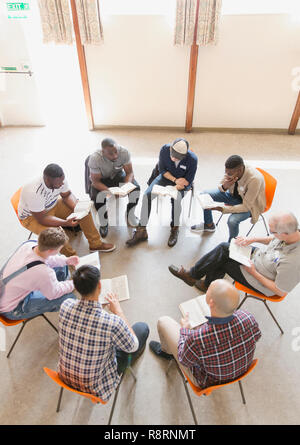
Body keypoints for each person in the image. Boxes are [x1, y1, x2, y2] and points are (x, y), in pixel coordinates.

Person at [58, 265, 149, 401]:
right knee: (142, 328)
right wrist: (119, 311)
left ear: (76, 288)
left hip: (64, 376)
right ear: (99, 285)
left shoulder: (65, 305)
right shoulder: (112, 322)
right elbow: (133, 345)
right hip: (95, 386)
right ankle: (129, 362)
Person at [150, 279, 261, 389]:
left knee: (163, 321)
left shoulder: (197, 338)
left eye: (208, 289)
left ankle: (167, 352)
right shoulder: (249, 318)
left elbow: (183, 360)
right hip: (241, 370)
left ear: (211, 303)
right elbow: (257, 336)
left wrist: (185, 330)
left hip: (209, 380)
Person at [169, 211, 300, 296]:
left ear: (284, 234)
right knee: (226, 248)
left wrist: (253, 272)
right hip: (259, 257)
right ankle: (198, 279)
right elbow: (274, 239)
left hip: (259, 277)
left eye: (273, 232)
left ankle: (196, 278)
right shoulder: (292, 233)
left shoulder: (293, 262)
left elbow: (280, 291)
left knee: (222, 260)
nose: (272, 235)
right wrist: (252, 239)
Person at [18, 163, 115, 257]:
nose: (61, 184)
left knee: (84, 211)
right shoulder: (34, 192)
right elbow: (42, 218)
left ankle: (95, 244)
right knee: (56, 235)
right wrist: (65, 223)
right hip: (32, 217)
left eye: (62, 181)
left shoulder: (60, 180)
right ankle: (72, 259)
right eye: (58, 183)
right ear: (47, 180)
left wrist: (77, 209)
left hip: (52, 205)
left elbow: (67, 195)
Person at [126, 138, 198, 248]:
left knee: (176, 199)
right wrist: (174, 180)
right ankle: (142, 230)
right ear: (170, 148)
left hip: (182, 183)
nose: (173, 159)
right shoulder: (164, 149)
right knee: (147, 196)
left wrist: (178, 186)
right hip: (166, 177)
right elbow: (162, 170)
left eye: (177, 158)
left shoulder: (192, 159)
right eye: (172, 155)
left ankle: (175, 229)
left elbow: (188, 180)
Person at [0, 228, 77, 320]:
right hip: (12, 308)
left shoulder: (29, 244)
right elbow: (53, 294)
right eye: (60, 249)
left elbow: (45, 258)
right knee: (69, 298)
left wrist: (66, 261)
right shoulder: (43, 273)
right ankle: (53, 287)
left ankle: (52, 285)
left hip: (5, 290)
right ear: (51, 250)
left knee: (62, 265)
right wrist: (75, 283)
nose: (60, 250)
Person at [191, 155, 265, 241]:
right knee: (204, 194)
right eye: (226, 172)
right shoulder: (231, 170)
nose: (227, 174)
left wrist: (222, 208)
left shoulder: (255, 180)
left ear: (240, 170)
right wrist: (225, 186)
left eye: (229, 173)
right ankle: (209, 225)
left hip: (250, 206)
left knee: (232, 221)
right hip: (233, 196)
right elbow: (221, 185)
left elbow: (246, 206)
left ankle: (231, 244)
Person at [88, 138, 141, 238]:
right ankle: (104, 222)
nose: (115, 156)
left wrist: (126, 187)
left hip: (117, 175)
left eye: (116, 152)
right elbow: (95, 182)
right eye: (111, 154)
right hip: (102, 179)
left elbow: (129, 173)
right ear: (103, 152)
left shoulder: (124, 152)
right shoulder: (95, 158)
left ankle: (130, 214)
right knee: (97, 197)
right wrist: (110, 192)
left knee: (136, 188)